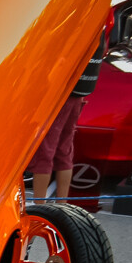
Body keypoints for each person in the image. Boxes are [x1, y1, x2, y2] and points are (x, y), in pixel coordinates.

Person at [30, 39, 103, 201]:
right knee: (64, 149)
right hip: (79, 88)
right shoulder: (99, 24)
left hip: (60, 91)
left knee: (45, 150)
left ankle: (39, 205)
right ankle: (62, 203)